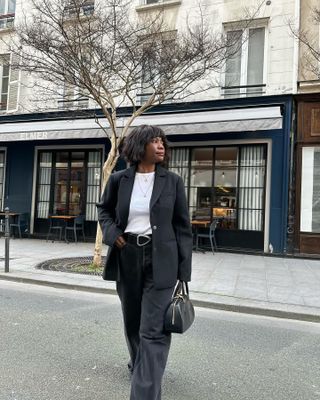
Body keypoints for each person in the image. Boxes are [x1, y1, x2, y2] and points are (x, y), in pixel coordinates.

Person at [97, 125, 193, 400]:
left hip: (162, 259)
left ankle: (145, 390)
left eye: (162, 141)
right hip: (127, 254)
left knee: (153, 331)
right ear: (139, 147)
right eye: (154, 141)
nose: (160, 145)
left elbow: (182, 226)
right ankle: (141, 364)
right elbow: (104, 209)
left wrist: (183, 272)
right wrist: (114, 236)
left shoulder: (172, 181)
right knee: (133, 323)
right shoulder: (119, 180)